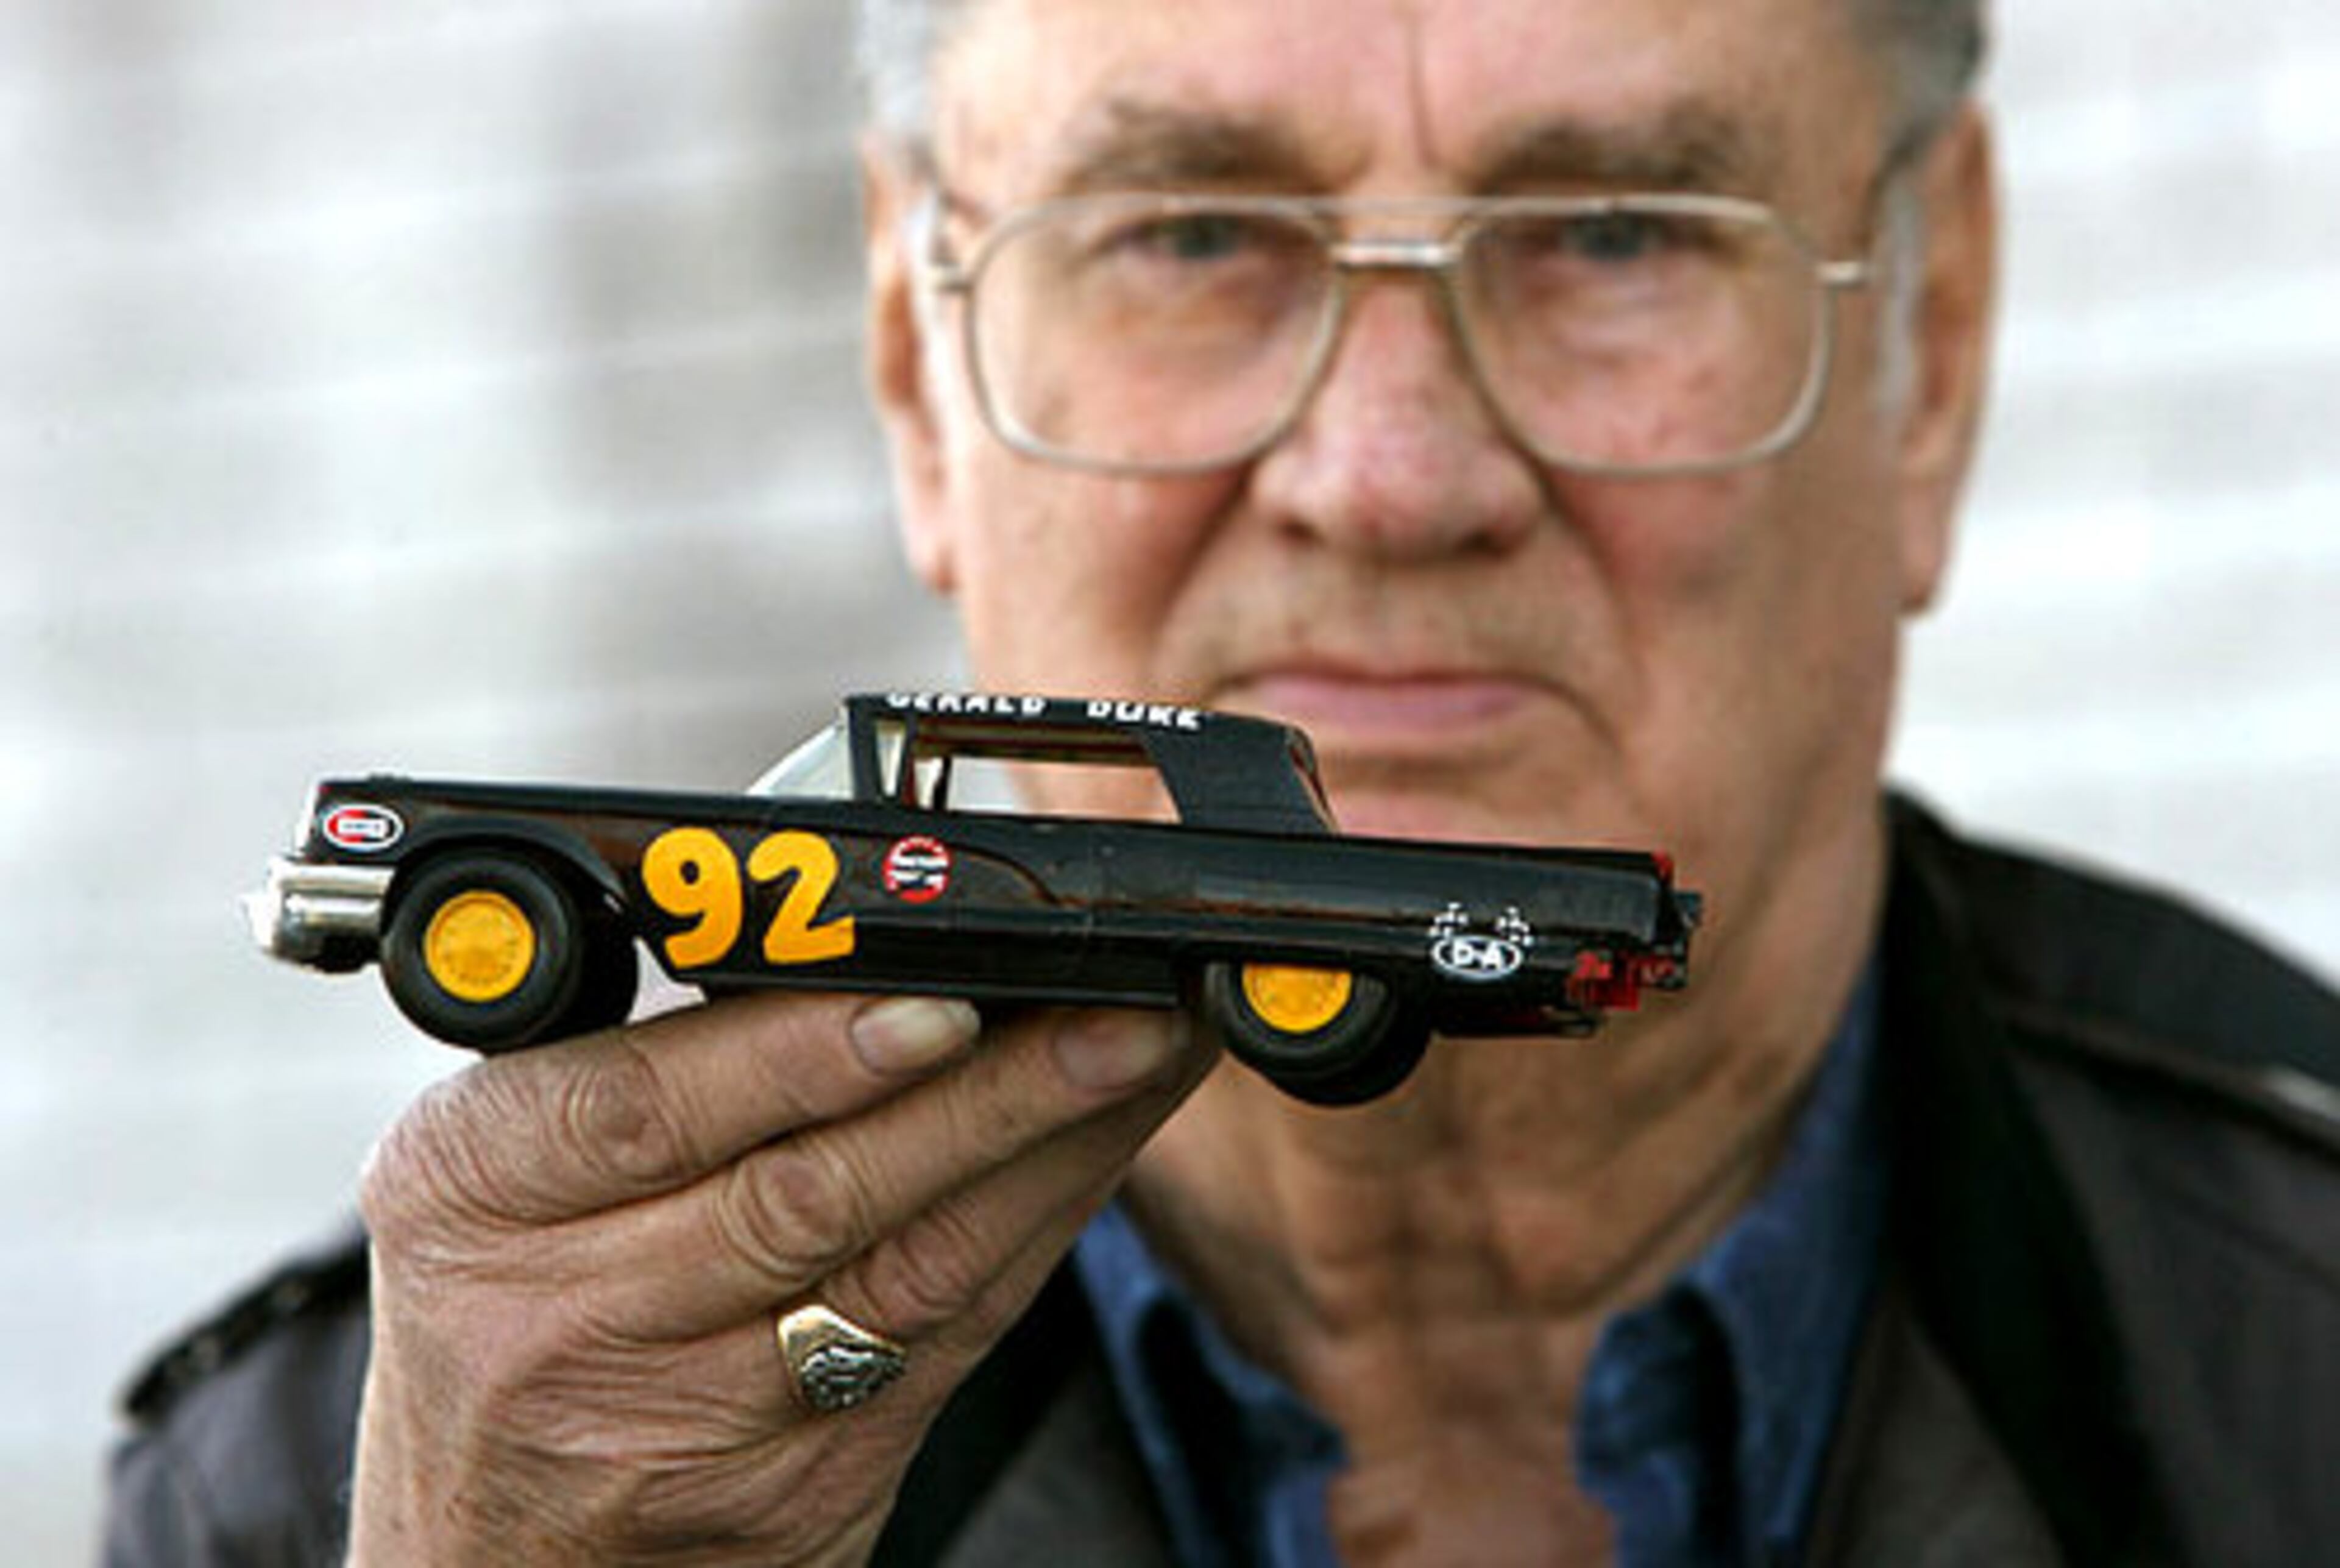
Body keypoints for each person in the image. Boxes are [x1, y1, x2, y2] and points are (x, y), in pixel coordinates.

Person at [104, 0, 2340, 1563]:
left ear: (1929, 363)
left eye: (1617, 233)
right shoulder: (357, 1489)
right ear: (915, 370)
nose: (1390, 476)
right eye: (1184, 236)